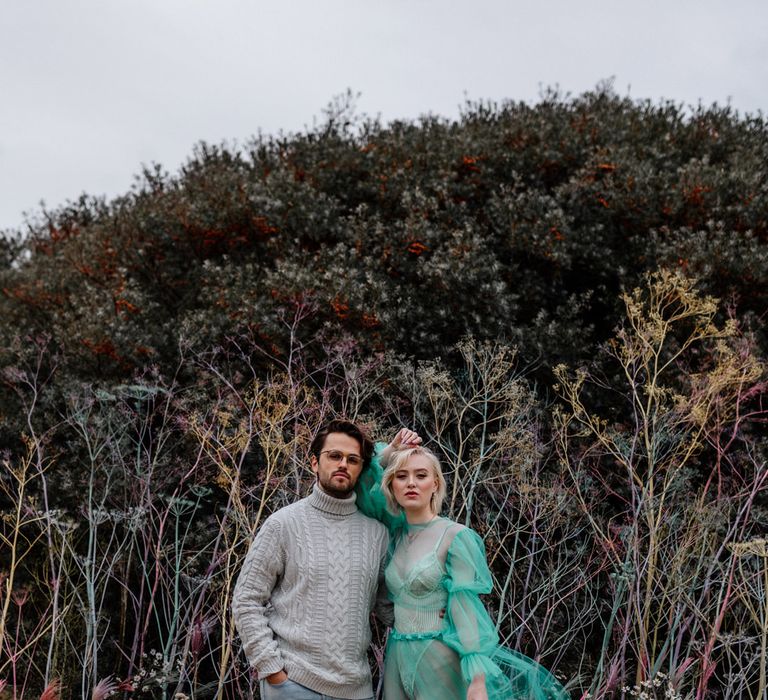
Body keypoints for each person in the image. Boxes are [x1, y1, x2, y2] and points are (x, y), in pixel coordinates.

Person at [360, 429, 568, 700]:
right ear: (391, 485)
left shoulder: (455, 537)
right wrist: (390, 451)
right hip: (397, 654)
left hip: (438, 655)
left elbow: (465, 607)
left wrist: (477, 679)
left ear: (435, 484)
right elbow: (359, 482)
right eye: (401, 476)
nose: (411, 483)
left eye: (421, 475)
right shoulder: (395, 534)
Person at [232, 419, 392, 700]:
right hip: (294, 684)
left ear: (361, 469)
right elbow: (246, 598)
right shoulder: (283, 524)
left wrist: (430, 612)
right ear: (315, 463)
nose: (343, 464)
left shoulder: (377, 534)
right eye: (334, 456)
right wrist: (272, 670)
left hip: (357, 689)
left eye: (353, 459)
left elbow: (384, 607)